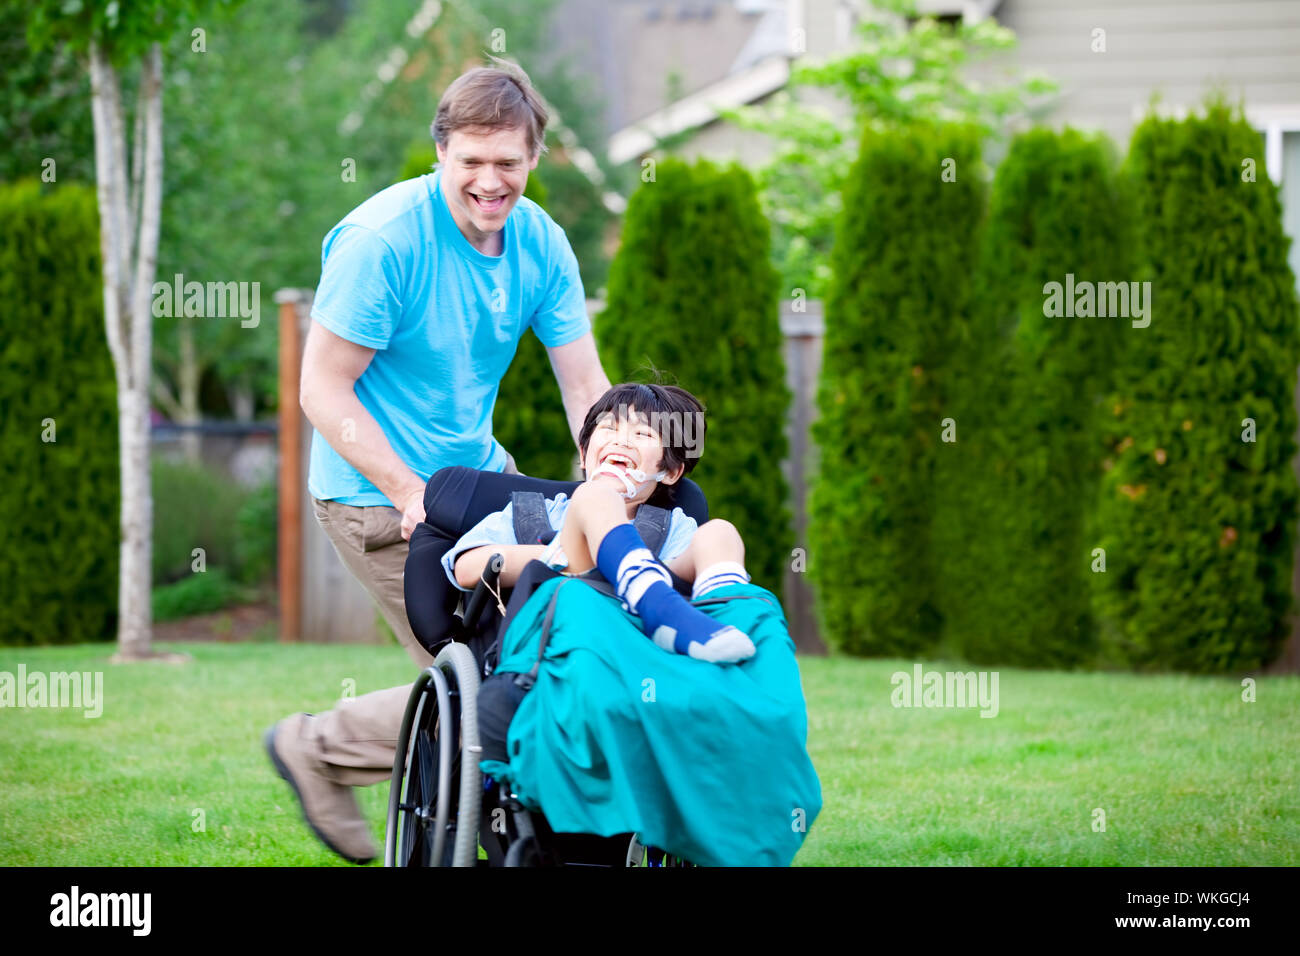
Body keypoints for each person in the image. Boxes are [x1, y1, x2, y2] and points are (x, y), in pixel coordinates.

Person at [263, 59, 611, 865]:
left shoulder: (541, 243)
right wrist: (408, 490)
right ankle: (316, 749)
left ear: (533, 159)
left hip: (482, 482)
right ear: (440, 154)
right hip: (375, 495)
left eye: (509, 164)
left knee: (545, 657)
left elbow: (583, 384)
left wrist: (609, 487)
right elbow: (321, 389)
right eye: (472, 163)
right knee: (492, 689)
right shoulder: (383, 242)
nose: (491, 182)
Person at [445, 382, 755, 663]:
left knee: (720, 533)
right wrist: (577, 555)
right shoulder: (531, 512)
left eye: (643, 434)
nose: (622, 442)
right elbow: (466, 567)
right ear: (583, 454)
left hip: (638, 653)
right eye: (609, 428)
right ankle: (639, 585)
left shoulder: (673, 527)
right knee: (595, 497)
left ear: (671, 472)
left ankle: (731, 616)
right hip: (551, 648)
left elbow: (684, 575)